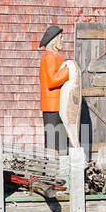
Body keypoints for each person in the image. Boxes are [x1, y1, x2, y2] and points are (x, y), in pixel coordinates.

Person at [39, 24, 69, 154]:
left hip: (58, 106)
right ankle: (51, 170)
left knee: (60, 141)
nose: (62, 40)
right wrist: (68, 71)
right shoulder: (50, 57)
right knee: (53, 143)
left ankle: (59, 168)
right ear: (53, 40)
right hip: (52, 107)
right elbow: (52, 81)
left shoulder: (55, 56)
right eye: (60, 38)